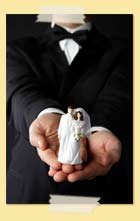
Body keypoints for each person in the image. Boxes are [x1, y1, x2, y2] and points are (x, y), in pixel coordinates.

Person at [7, 14, 132, 203]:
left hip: (104, 191)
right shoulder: (17, 50)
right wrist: (46, 114)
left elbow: (118, 98)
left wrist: (100, 129)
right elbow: (21, 93)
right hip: (30, 188)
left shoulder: (126, 51)